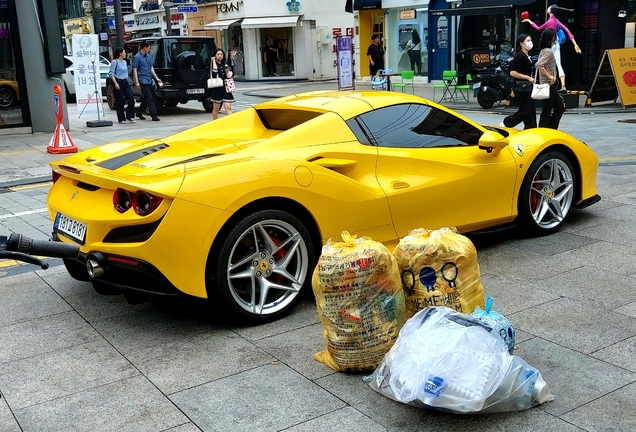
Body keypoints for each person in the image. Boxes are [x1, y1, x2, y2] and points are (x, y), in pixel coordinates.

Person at [523, 4, 581, 92]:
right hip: (557, 43)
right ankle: (563, 85)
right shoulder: (557, 21)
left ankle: (544, 84)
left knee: (541, 64)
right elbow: (567, 30)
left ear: (550, 11)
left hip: (550, 45)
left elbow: (538, 28)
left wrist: (529, 21)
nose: (547, 8)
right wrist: (575, 44)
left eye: (549, 7)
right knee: (558, 64)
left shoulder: (550, 22)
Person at [501, 34, 537, 130]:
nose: (530, 43)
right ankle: (507, 122)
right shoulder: (519, 56)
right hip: (522, 87)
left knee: (531, 110)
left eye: (531, 40)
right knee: (525, 111)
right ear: (521, 43)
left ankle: (531, 128)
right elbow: (513, 72)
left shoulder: (527, 56)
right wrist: (528, 78)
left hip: (528, 87)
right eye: (527, 41)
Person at [535, 28, 565, 129]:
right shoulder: (548, 52)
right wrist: (550, 76)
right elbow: (539, 64)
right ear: (553, 38)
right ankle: (545, 130)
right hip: (548, 84)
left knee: (558, 107)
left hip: (549, 85)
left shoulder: (544, 50)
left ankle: (550, 128)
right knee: (548, 109)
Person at [132, 41, 161, 121]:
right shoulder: (137, 57)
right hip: (143, 80)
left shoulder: (148, 56)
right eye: (149, 48)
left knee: (146, 98)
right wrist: (137, 81)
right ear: (144, 47)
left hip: (149, 80)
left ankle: (139, 112)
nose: (149, 49)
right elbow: (135, 69)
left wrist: (156, 78)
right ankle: (154, 115)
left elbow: (151, 68)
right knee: (149, 97)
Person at [108, 47, 136, 124]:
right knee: (119, 101)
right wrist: (115, 83)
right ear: (120, 53)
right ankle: (121, 118)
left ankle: (130, 116)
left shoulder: (124, 62)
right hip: (118, 81)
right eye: (124, 52)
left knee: (131, 99)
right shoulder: (114, 62)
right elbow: (111, 73)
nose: (125, 54)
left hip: (125, 81)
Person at [210, 48, 234, 120]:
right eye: (218, 54)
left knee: (228, 107)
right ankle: (215, 122)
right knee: (216, 108)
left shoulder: (224, 64)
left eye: (221, 54)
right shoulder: (212, 64)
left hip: (225, 88)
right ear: (215, 55)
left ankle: (231, 123)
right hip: (217, 88)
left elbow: (229, 75)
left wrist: (228, 71)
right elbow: (215, 72)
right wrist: (213, 61)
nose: (220, 56)